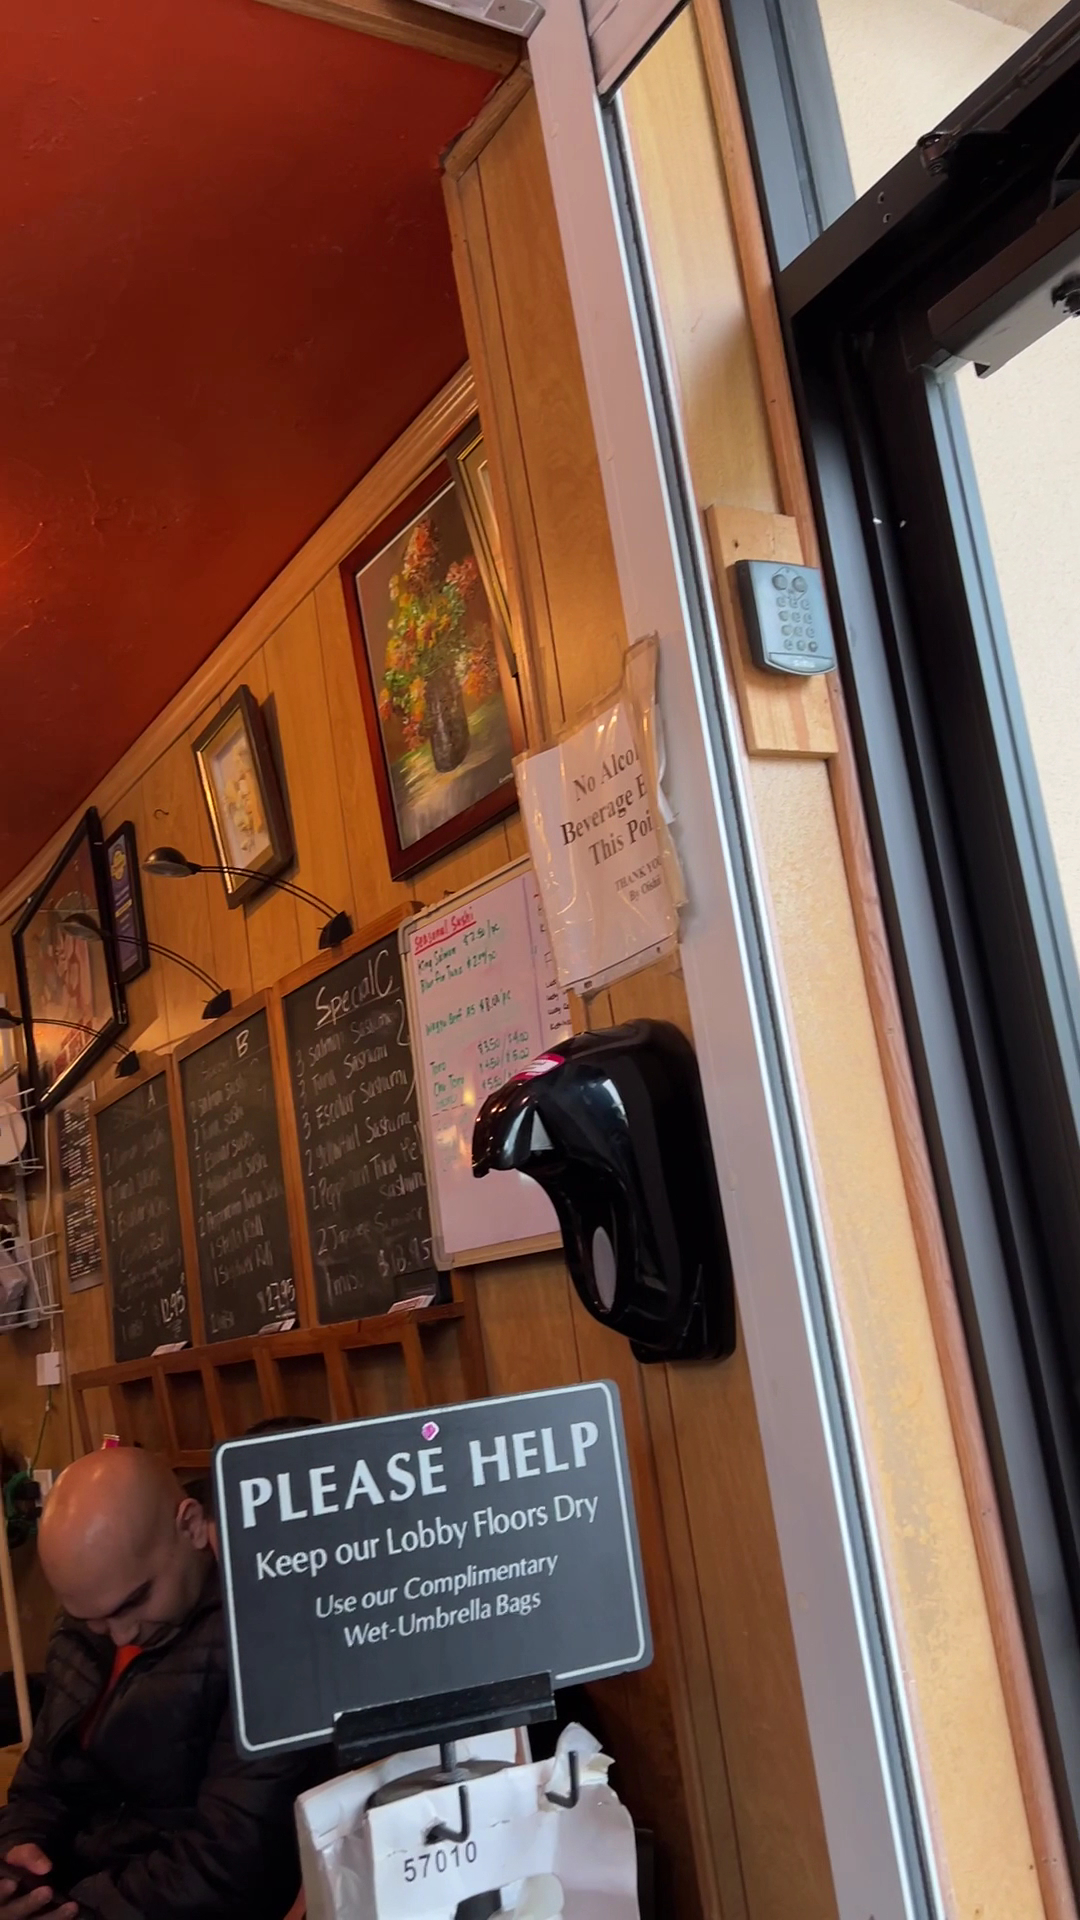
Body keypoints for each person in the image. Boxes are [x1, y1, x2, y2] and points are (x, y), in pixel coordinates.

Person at [0, 1446, 323, 1920]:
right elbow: (41, 1783)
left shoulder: (268, 1640)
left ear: (190, 1526)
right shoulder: (88, 1618)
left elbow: (231, 1863)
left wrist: (80, 1911)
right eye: (91, 1617)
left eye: (134, 1602)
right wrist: (16, 1861)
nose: (120, 1634)